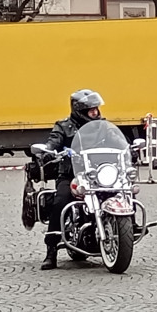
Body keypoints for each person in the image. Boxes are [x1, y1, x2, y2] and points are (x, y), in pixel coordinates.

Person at [40, 89, 104, 270]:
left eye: (96, 109)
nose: (96, 113)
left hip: (98, 174)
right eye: (92, 110)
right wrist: (48, 150)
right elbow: (54, 140)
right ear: (80, 111)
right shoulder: (63, 126)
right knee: (60, 200)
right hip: (71, 174)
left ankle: (130, 225)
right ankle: (51, 250)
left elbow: (116, 138)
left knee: (122, 190)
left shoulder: (102, 126)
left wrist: (130, 149)